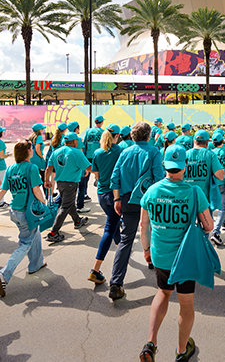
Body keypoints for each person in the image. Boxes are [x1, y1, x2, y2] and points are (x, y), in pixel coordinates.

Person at [138, 144, 214, 362]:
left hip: (160, 254)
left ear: (164, 164)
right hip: (185, 257)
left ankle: (150, 343)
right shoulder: (194, 192)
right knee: (186, 303)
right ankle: (181, 350)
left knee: (162, 293)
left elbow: (144, 226)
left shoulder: (152, 191)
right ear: (185, 166)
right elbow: (209, 226)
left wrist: (146, 249)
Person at [109, 122, 165, 301]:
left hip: (127, 200)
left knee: (126, 239)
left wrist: (117, 199)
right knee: (153, 232)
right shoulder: (154, 152)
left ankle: (116, 282)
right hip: (148, 199)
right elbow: (159, 178)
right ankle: (155, 265)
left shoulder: (124, 152)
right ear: (148, 135)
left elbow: (115, 177)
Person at [0, 141, 47, 297]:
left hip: (14, 211)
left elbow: (3, 190)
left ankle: (36, 264)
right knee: (25, 243)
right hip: (27, 213)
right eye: (31, 148)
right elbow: (36, 189)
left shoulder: (11, 168)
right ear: (27, 151)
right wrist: (44, 203)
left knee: (35, 233)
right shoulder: (31, 168)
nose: (32, 150)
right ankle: (4, 274)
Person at [88, 124, 123, 285]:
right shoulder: (120, 151)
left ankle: (120, 248)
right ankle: (95, 270)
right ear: (117, 136)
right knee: (110, 228)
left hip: (102, 194)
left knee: (113, 223)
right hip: (114, 194)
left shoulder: (97, 152)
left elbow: (96, 174)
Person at [44, 132, 91, 243]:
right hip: (71, 183)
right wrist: (100, 173)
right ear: (75, 141)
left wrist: (46, 180)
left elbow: (48, 168)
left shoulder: (56, 152)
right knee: (65, 207)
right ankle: (53, 233)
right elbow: (89, 167)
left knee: (69, 204)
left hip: (60, 183)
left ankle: (77, 221)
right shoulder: (76, 152)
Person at [183, 130, 224, 203]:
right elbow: (220, 176)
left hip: (186, 198)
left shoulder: (185, 154)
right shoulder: (210, 155)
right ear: (207, 142)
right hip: (204, 199)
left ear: (194, 140)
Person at [80, 115, 105, 211]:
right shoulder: (102, 132)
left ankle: (84, 193)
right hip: (98, 156)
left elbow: (85, 143)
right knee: (99, 173)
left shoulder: (88, 131)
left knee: (86, 176)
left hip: (88, 155)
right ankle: (101, 191)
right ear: (101, 122)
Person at [0, 127, 12, 208]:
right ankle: (1, 202)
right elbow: (1, 156)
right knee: (2, 185)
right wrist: (7, 155)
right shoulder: (1, 143)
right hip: (1, 167)